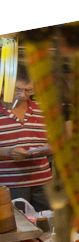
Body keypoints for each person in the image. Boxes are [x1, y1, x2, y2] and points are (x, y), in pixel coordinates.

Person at [0, 64, 53, 210]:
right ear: (5, 86)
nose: (23, 95)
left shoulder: (42, 109)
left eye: (28, 90)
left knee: (47, 223)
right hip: (9, 184)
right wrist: (9, 152)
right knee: (18, 226)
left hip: (43, 180)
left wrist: (51, 148)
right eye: (18, 89)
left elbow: (56, 141)